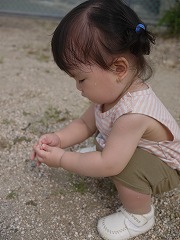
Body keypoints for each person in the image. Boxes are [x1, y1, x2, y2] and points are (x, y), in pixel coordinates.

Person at [31, 0, 180, 239]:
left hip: (167, 168)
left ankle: (139, 214)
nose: (77, 87)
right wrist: (59, 139)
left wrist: (61, 159)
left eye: (81, 79)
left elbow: (109, 165)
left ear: (119, 68)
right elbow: (85, 124)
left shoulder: (133, 114)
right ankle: (105, 154)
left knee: (122, 162)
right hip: (133, 149)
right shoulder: (111, 93)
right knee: (110, 147)